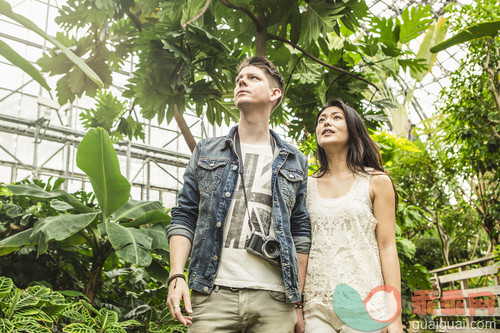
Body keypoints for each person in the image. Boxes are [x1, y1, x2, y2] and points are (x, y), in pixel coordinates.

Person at [166, 56, 311, 333]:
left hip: (275, 299)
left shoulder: (295, 160)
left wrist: (297, 300)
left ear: (274, 93)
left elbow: (300, 231)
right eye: (239, 79)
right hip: (212, 293)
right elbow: (184, 215)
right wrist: (176, 276)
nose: (242, 81)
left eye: (253, 77)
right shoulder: (207, 151)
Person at [301, 99, 403, 333]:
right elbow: (301, 245)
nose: (327, 122)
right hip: (315, 308)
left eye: (337, 117)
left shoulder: (377, 181)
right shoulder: (305, 187)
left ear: (354, 128)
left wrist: (394, 314)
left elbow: (387, 247)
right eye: (321, 120)